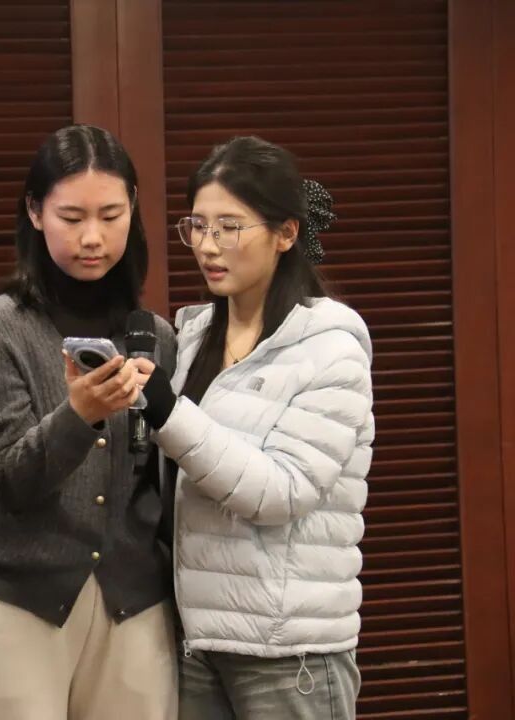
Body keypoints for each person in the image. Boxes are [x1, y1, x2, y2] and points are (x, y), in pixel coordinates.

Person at [138, 136, 374, 719]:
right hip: (199, 641)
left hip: (290, 651)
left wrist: (167, 413)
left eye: (230, 228)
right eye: (197, 226)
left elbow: (282, 492)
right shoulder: (191, 337)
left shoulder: (330, 350)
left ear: (285, 233)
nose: (207, 246)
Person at [0, 124, 179, 719]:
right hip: (15, 602)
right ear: (34, 211)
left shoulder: (156, 335)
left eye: (111, 215)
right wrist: (78, 416)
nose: (93, 237)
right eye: (71, 217)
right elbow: (7, 481)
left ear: (133, 209)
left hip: (134, 601)